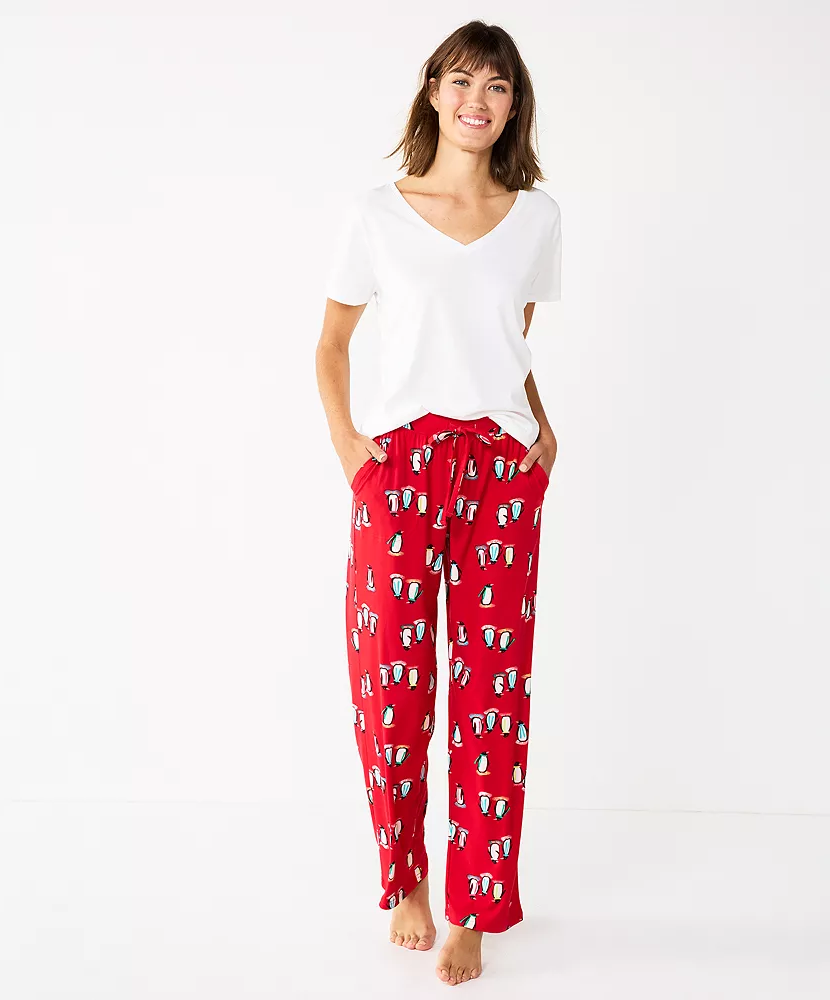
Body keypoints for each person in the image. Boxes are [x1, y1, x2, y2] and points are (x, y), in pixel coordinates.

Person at [315, 20, 561, 987]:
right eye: (461, 80)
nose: (476, 100)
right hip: (401, 468)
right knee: (393, 687)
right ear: (432, 90)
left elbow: (508, 344)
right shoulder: (377, 214)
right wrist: (353, 452)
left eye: (496, 86)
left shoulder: (536, 218)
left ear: (513, 105)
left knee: (493, 695)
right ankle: (406, 879)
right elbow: (331, 345)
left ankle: (475, 906)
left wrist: (543, 430)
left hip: (500, 469)